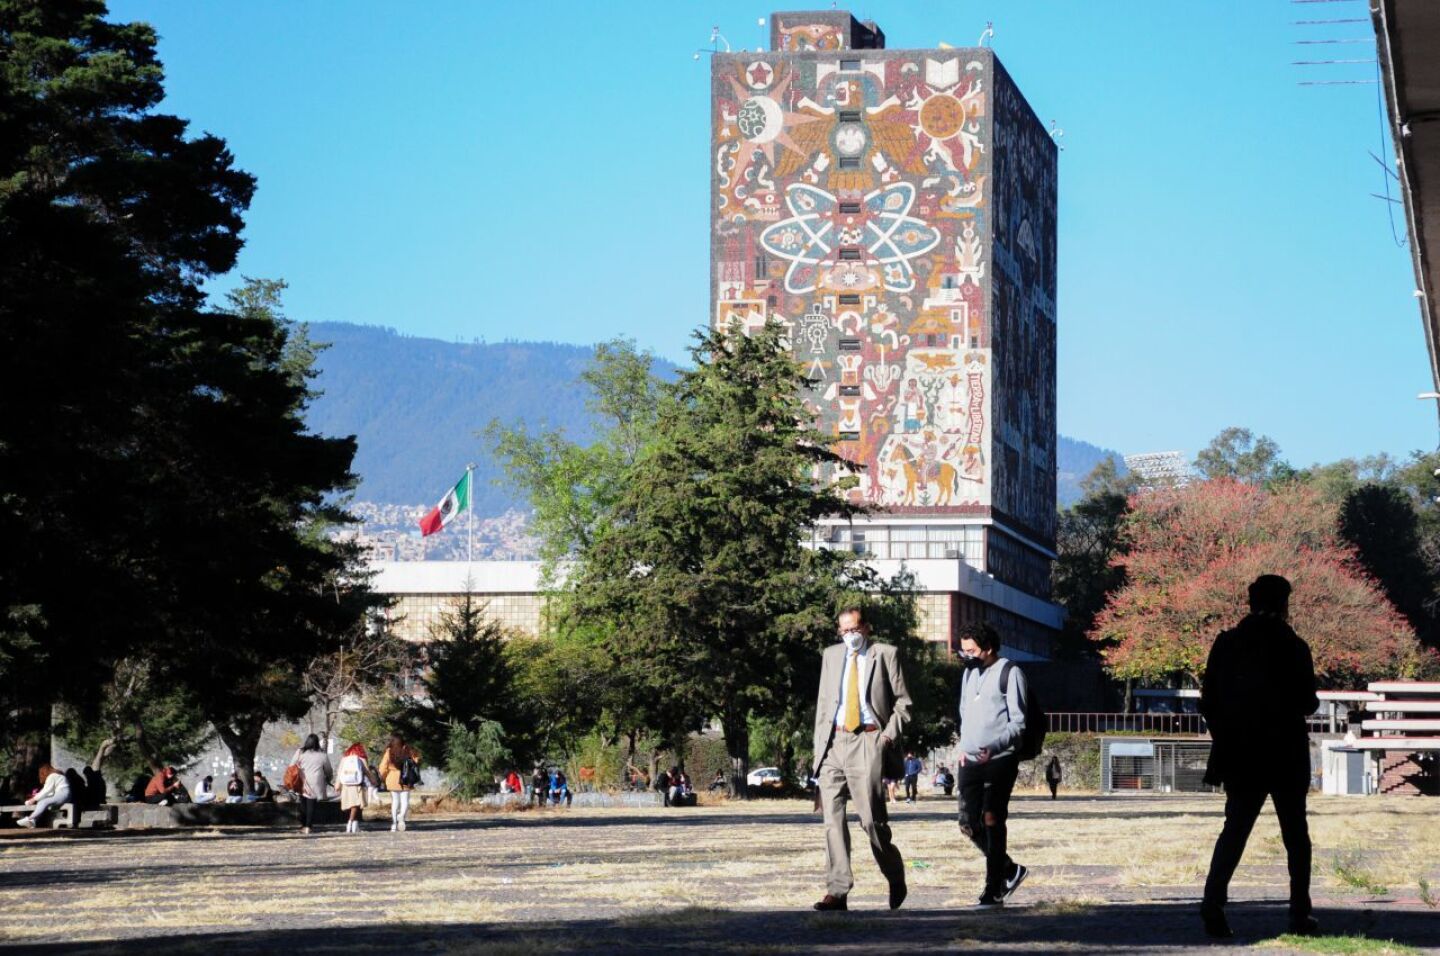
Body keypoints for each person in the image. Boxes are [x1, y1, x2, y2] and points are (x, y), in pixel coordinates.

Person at [1199, 575, 1320, 940]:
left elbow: (1208, 701)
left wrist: (1227, 734)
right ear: (1285, 604)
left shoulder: (1227, 644)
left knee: (1234, 830)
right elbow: (1309, 702)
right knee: (1296, 836)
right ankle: (1299, 913)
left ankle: (1213, 903)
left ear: (1249, 603)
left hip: (1240, 752)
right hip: (1285, 752)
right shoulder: (1294, 646)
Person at [810, 606, 910, 912]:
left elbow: (904, 703)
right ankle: (837, 891)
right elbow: (824, 705)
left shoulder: (886, 654)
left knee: (871, 821)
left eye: (854, 629)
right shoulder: (830, 656)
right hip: (833, 743)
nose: (849, 635)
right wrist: (819, 753)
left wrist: (887, 737)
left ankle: (894, 874)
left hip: (869, 739)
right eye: (843, 631)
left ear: (866, 627)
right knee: (832, 820)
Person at [955, 622, 1030, 908]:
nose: (966, 656)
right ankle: (1010, 870)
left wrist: (995, 746)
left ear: (987, 648)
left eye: (971, 650)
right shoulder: (968, 673)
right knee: (969, 824)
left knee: (991, 818)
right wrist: (963, 745)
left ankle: (993, 887)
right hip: (970, 760)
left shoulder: (1011, 673)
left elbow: (1018, 722)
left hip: (1000, 759)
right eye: (963, 651)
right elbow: (964, 712)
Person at [291, 733, 334, 835]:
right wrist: (329, 778)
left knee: (302, 803)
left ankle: (303, 825)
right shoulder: (322, 754)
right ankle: (308, 827)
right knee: (311, 804)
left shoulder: (300, 752)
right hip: (316, 781)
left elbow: (292, 765)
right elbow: (328, 770)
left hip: (302, 780)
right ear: (317, 743)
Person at [377, 734, 420, 832]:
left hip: (393, 778)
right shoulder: (408, 749)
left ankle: (394, 824)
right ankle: (401, 816)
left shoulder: (389, 751)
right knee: (405, 801)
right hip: (406, 778)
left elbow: (383, 767)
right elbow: (416, 761)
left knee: (395, 802)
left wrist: (384, 777)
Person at [336, 742, 371, 834]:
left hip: (346, 784)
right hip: (358, 784)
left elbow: (339, 772)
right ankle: (350, 824)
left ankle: (355, 826)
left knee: (353, 805)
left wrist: (337, 784)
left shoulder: (345, 758)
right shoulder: (361, 758)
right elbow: (367, 771)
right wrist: (374, 780)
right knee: (356, 805)